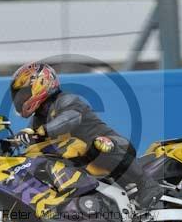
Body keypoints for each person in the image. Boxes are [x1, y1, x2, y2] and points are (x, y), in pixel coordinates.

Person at [10, 61, 163, 211]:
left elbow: (70, 119)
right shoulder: (37, 120)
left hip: (112, 147)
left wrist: (42, 132)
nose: (20, 99)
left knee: (100, 144)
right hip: (83, 162)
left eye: (24, 93)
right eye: (18, 95)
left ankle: (146, 183)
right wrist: (12, 145)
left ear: (42, 84)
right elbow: (34, 146)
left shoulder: (65, 100)